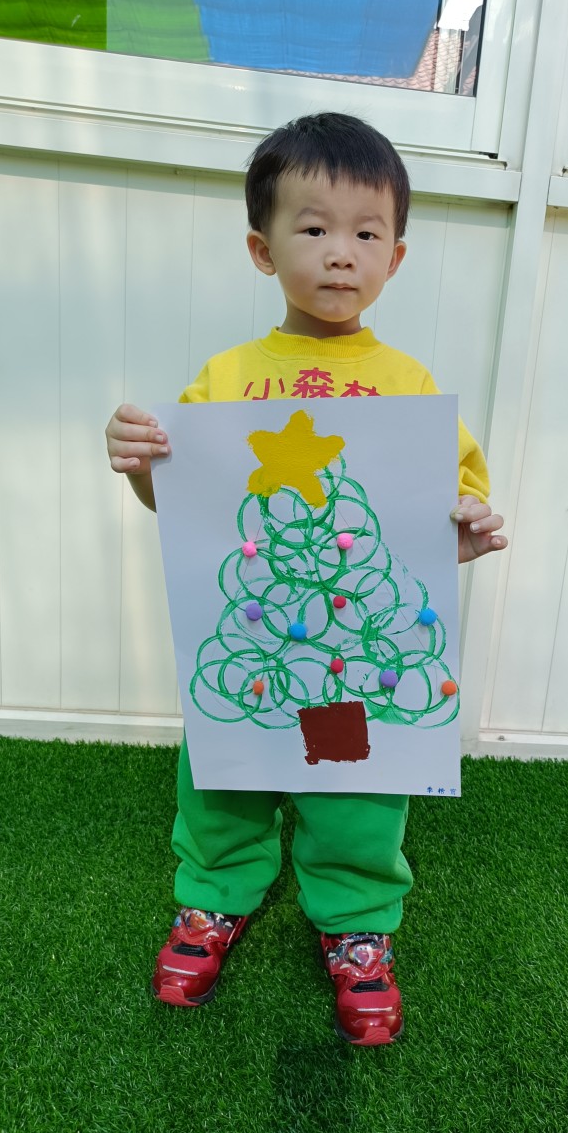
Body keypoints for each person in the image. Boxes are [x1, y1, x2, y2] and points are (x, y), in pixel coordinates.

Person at [105, 112, 508, 1046]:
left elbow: (446, 512)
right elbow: (182, 506)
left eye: (366, 233)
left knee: (356, 783)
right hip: (251, 631)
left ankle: (357, 924)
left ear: (394, 259)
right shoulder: (227, 378)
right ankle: (213, 897)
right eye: (314, 227)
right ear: (262, 248)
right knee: (227, 770)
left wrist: (465, 531)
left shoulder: (408, 386)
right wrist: (139, 464)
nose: (340, 253)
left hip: (353, 643)